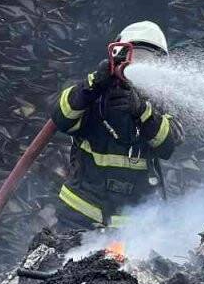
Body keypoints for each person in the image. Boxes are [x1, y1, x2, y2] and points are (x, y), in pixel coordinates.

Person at [50, 21, 184, 230]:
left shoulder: (161, 103)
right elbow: (61, 117)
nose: (140, 67)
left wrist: (141, 110)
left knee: (132, 264)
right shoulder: (93, 92)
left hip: (133, 226)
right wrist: (91, 87)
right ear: (119, 56)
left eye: (148, 61)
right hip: (79, 216)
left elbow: (167, 145)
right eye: (135, 58)